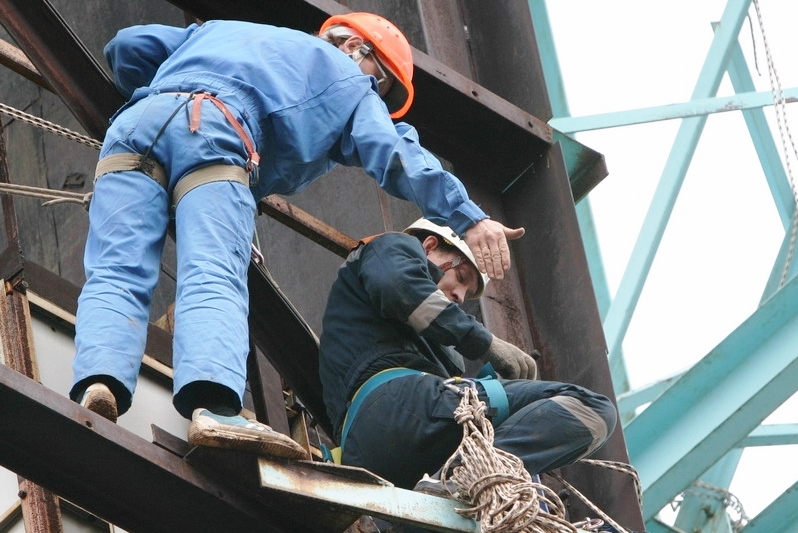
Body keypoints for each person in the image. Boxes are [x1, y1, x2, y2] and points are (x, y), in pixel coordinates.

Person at [69, 12, 524, 459]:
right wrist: (469, 218)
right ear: (354, 47)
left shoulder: (228, 29)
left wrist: (166, 95)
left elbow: (128, 46)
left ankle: (99, 381)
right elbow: (393, 152)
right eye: (381, 82)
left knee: (116, 269)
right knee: (212, 273)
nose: (376, 95)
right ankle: (214, 408)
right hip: (217, 135)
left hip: (135, 125)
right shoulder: (349, 80)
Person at [318, 218, 618, 492]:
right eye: (461, 277)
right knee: (593, 409)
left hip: (367, 454)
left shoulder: (423, 342)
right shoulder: (394, 247)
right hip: (398, 404)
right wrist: (488, 344)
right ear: (430, 246)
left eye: (466, 292)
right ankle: (470, 476)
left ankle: (452, 485)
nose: (460, 296)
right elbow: (399, 287)